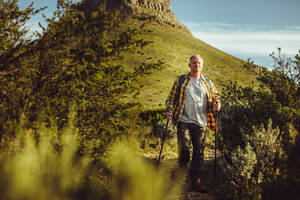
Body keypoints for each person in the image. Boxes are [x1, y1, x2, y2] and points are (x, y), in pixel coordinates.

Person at [165, 54, 221, 192]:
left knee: (199, 153)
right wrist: (169, 110)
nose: (197, 65)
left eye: (199, 63)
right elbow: (171, 98)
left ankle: (195, 182)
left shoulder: (207, 82)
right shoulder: (181, 80)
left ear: (202, 65)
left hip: (201, 122)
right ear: (189, 65)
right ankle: (179, 177)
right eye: (194, 63)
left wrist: (217, 103)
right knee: (184, 150)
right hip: (183, 120)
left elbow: (216, 96)